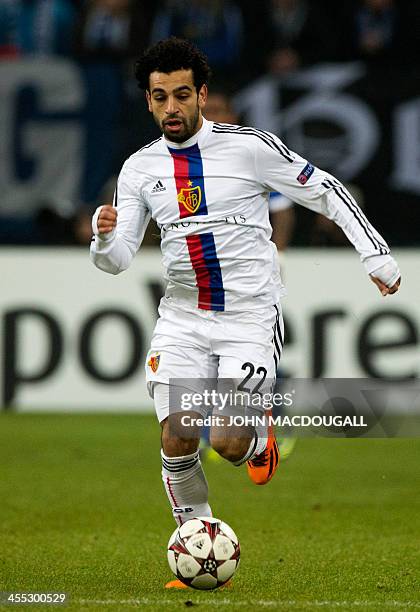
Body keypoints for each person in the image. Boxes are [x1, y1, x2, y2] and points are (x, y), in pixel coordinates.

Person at [90, 37, 401, 588]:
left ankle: (259, 440)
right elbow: (116, 260)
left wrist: (373, 251)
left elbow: (326, 190)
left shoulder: (250, 147)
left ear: (202, 94)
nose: (171, 108)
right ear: (147, 102)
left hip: (248, 318)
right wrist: (102, 237)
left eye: (181, 95)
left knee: (229, 443)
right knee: (178, 437)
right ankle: (197, 548)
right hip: (182, 317)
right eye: (159, 97)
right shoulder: (139, 170)